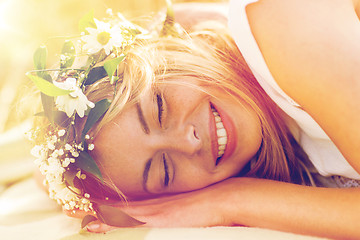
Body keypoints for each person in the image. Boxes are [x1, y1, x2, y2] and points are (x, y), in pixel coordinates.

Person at [28, 0, 360, 239]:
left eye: (159, 109)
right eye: (165, 170)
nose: (189, 141)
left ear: (166, 57)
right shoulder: (282, 153)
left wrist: (234, 200)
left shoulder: (282, 25)